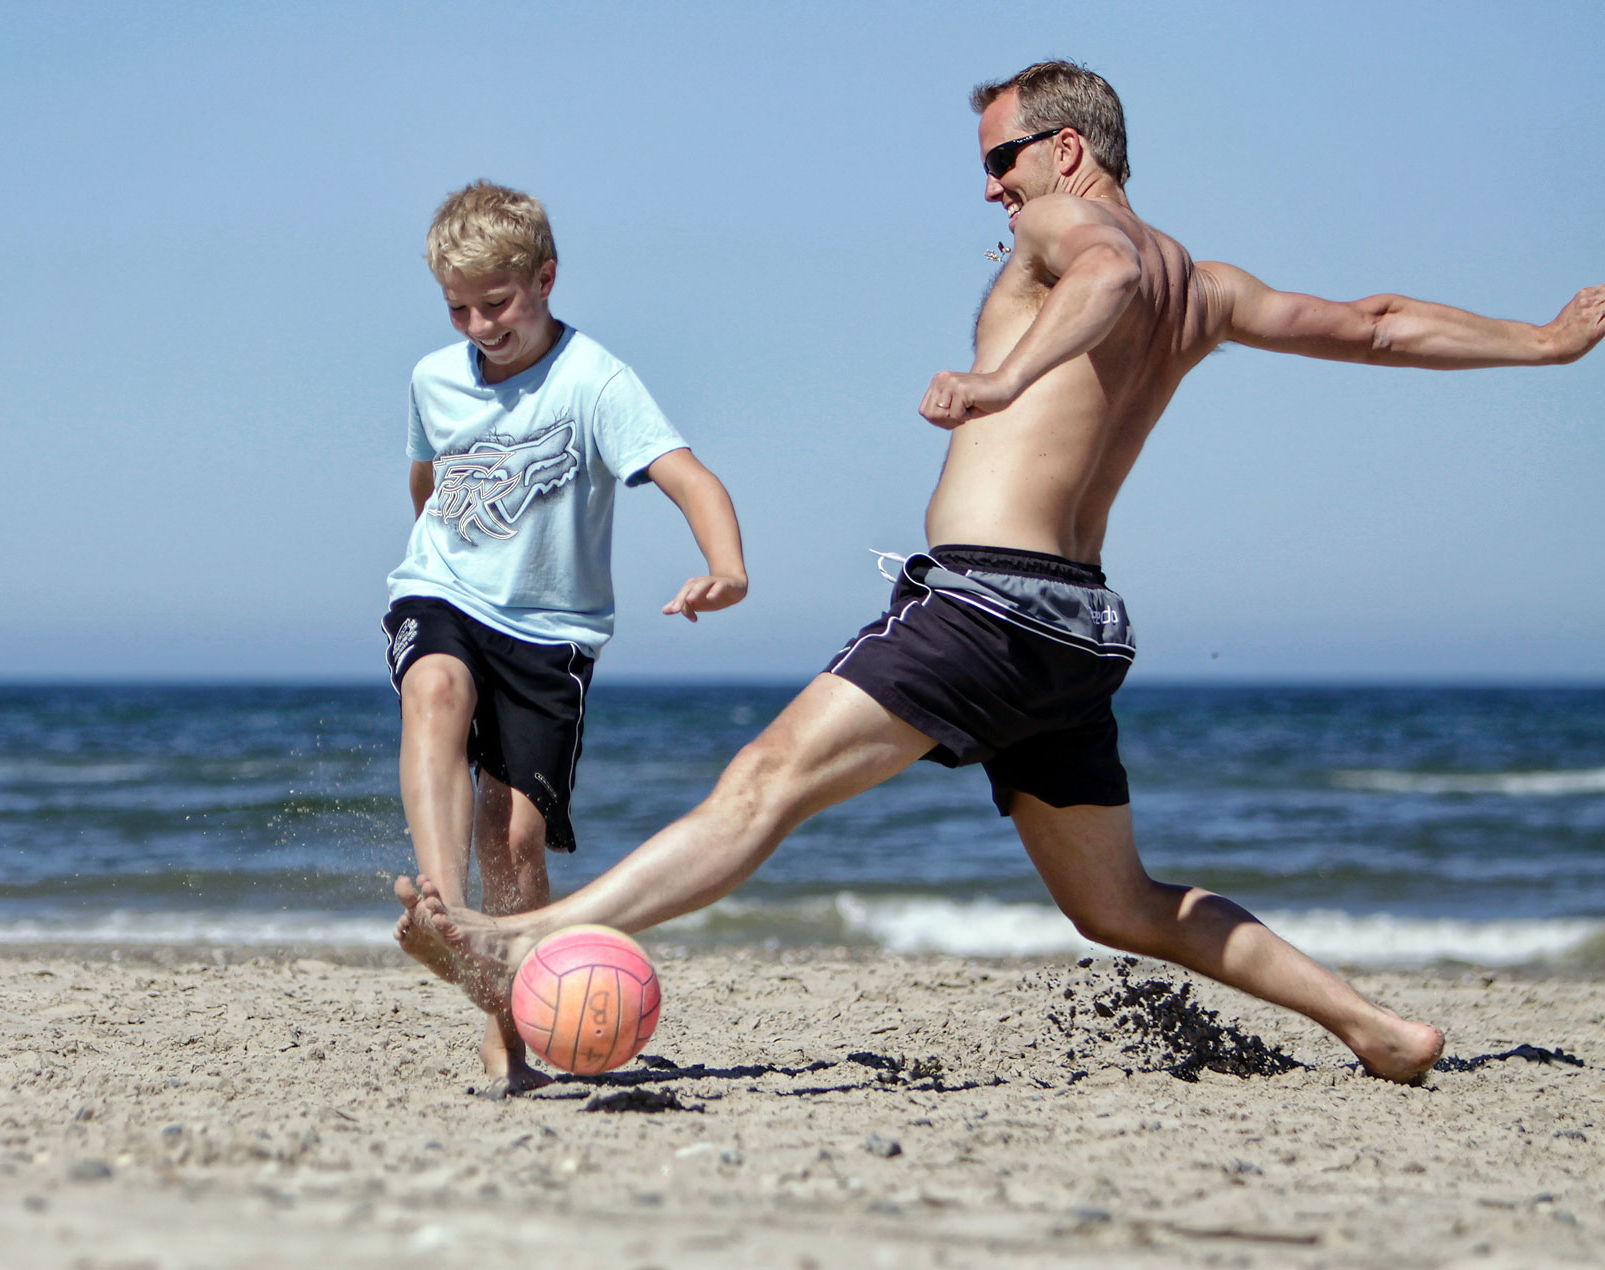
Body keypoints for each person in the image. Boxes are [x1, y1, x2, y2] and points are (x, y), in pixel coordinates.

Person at [393, 64, 1605, 1085]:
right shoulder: (1210, 287)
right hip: (1076, 624)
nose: (992, 186)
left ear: (1067, 147)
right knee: (1116, 903)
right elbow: (1377, 322)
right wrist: (1540, 345)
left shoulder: (1071, 233)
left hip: (981, 602)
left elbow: (1103, 275)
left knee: (762, 782)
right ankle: (1374, 1027)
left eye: (1003, 159)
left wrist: (1002, 378)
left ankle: (524, 937)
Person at [384, 181, 749, 1095]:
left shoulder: (595, 381)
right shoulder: (433, 378)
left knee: (515, 838)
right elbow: (427, 484)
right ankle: (445, 907)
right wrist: (444, 557)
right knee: (435, 690)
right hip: (443, 592)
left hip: (551, 635)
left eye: (496, 303)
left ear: (546, 278)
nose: (478, 325)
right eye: (458, 308)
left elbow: (690, 477)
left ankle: (506, 1018)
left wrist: (726, 565)